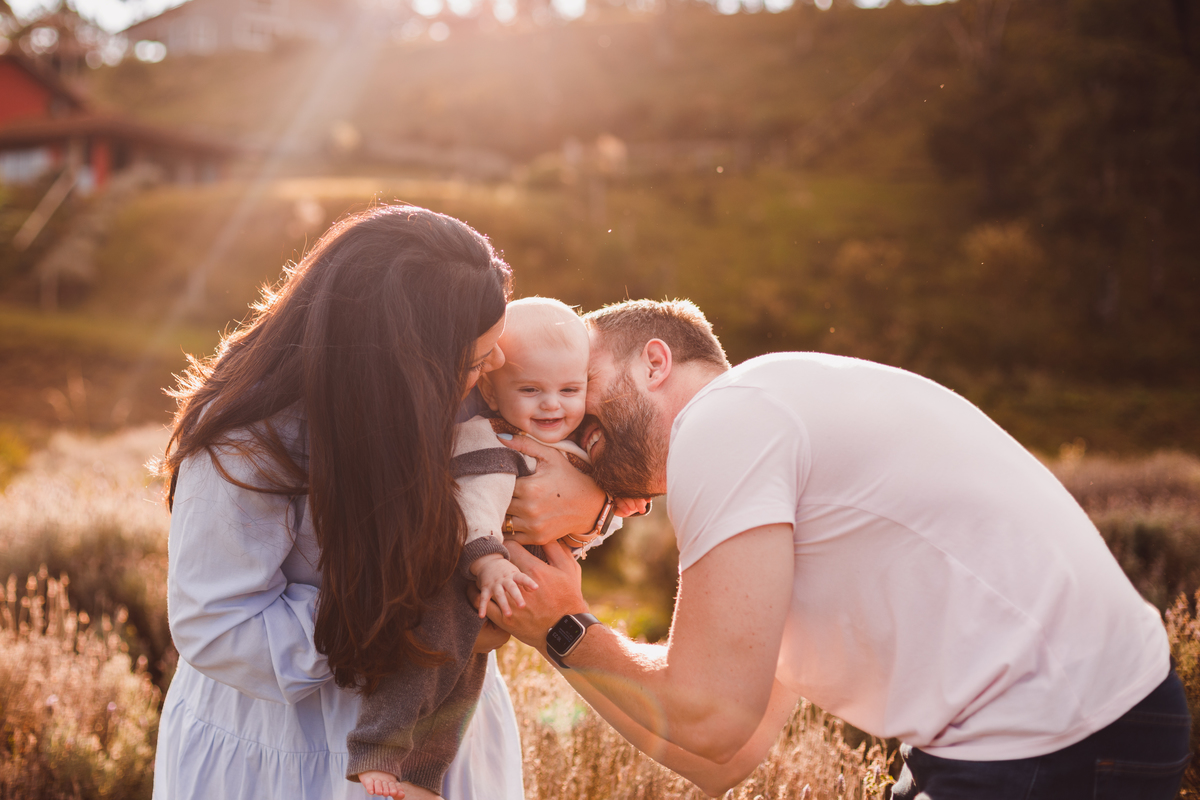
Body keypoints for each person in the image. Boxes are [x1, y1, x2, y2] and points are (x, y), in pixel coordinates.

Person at [488, 298, 1189, 800]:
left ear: (654, 361)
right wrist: (556, 629)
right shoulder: (772, 432)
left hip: (1053, 731)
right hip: (1067, 724)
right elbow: (723, 758)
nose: (568, 419)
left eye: (580, 387)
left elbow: (711, 717)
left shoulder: (729, 416)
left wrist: (562, 625)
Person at [154, 205, 525, 800]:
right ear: (399, 370)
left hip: (436, 733)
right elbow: (215, 623)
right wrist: (407, 621)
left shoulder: (461, 398)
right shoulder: (251, 440)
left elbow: (553, 460)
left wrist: (583, 509)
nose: (497, 367)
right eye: (475, 360)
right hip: (288, 750)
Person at [352, 295, 625, 798]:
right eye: (531, 390)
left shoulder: (575, 447)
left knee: (464, 683)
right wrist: (487, 562)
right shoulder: (490, 439)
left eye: (569, 390)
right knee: (432, 654)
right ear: (492, 392)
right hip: (461, 572)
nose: (552, 404)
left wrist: (595, 515)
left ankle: (423, 776)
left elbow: (608, 515)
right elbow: (472, 508)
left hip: (505, 588)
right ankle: (376, 746)